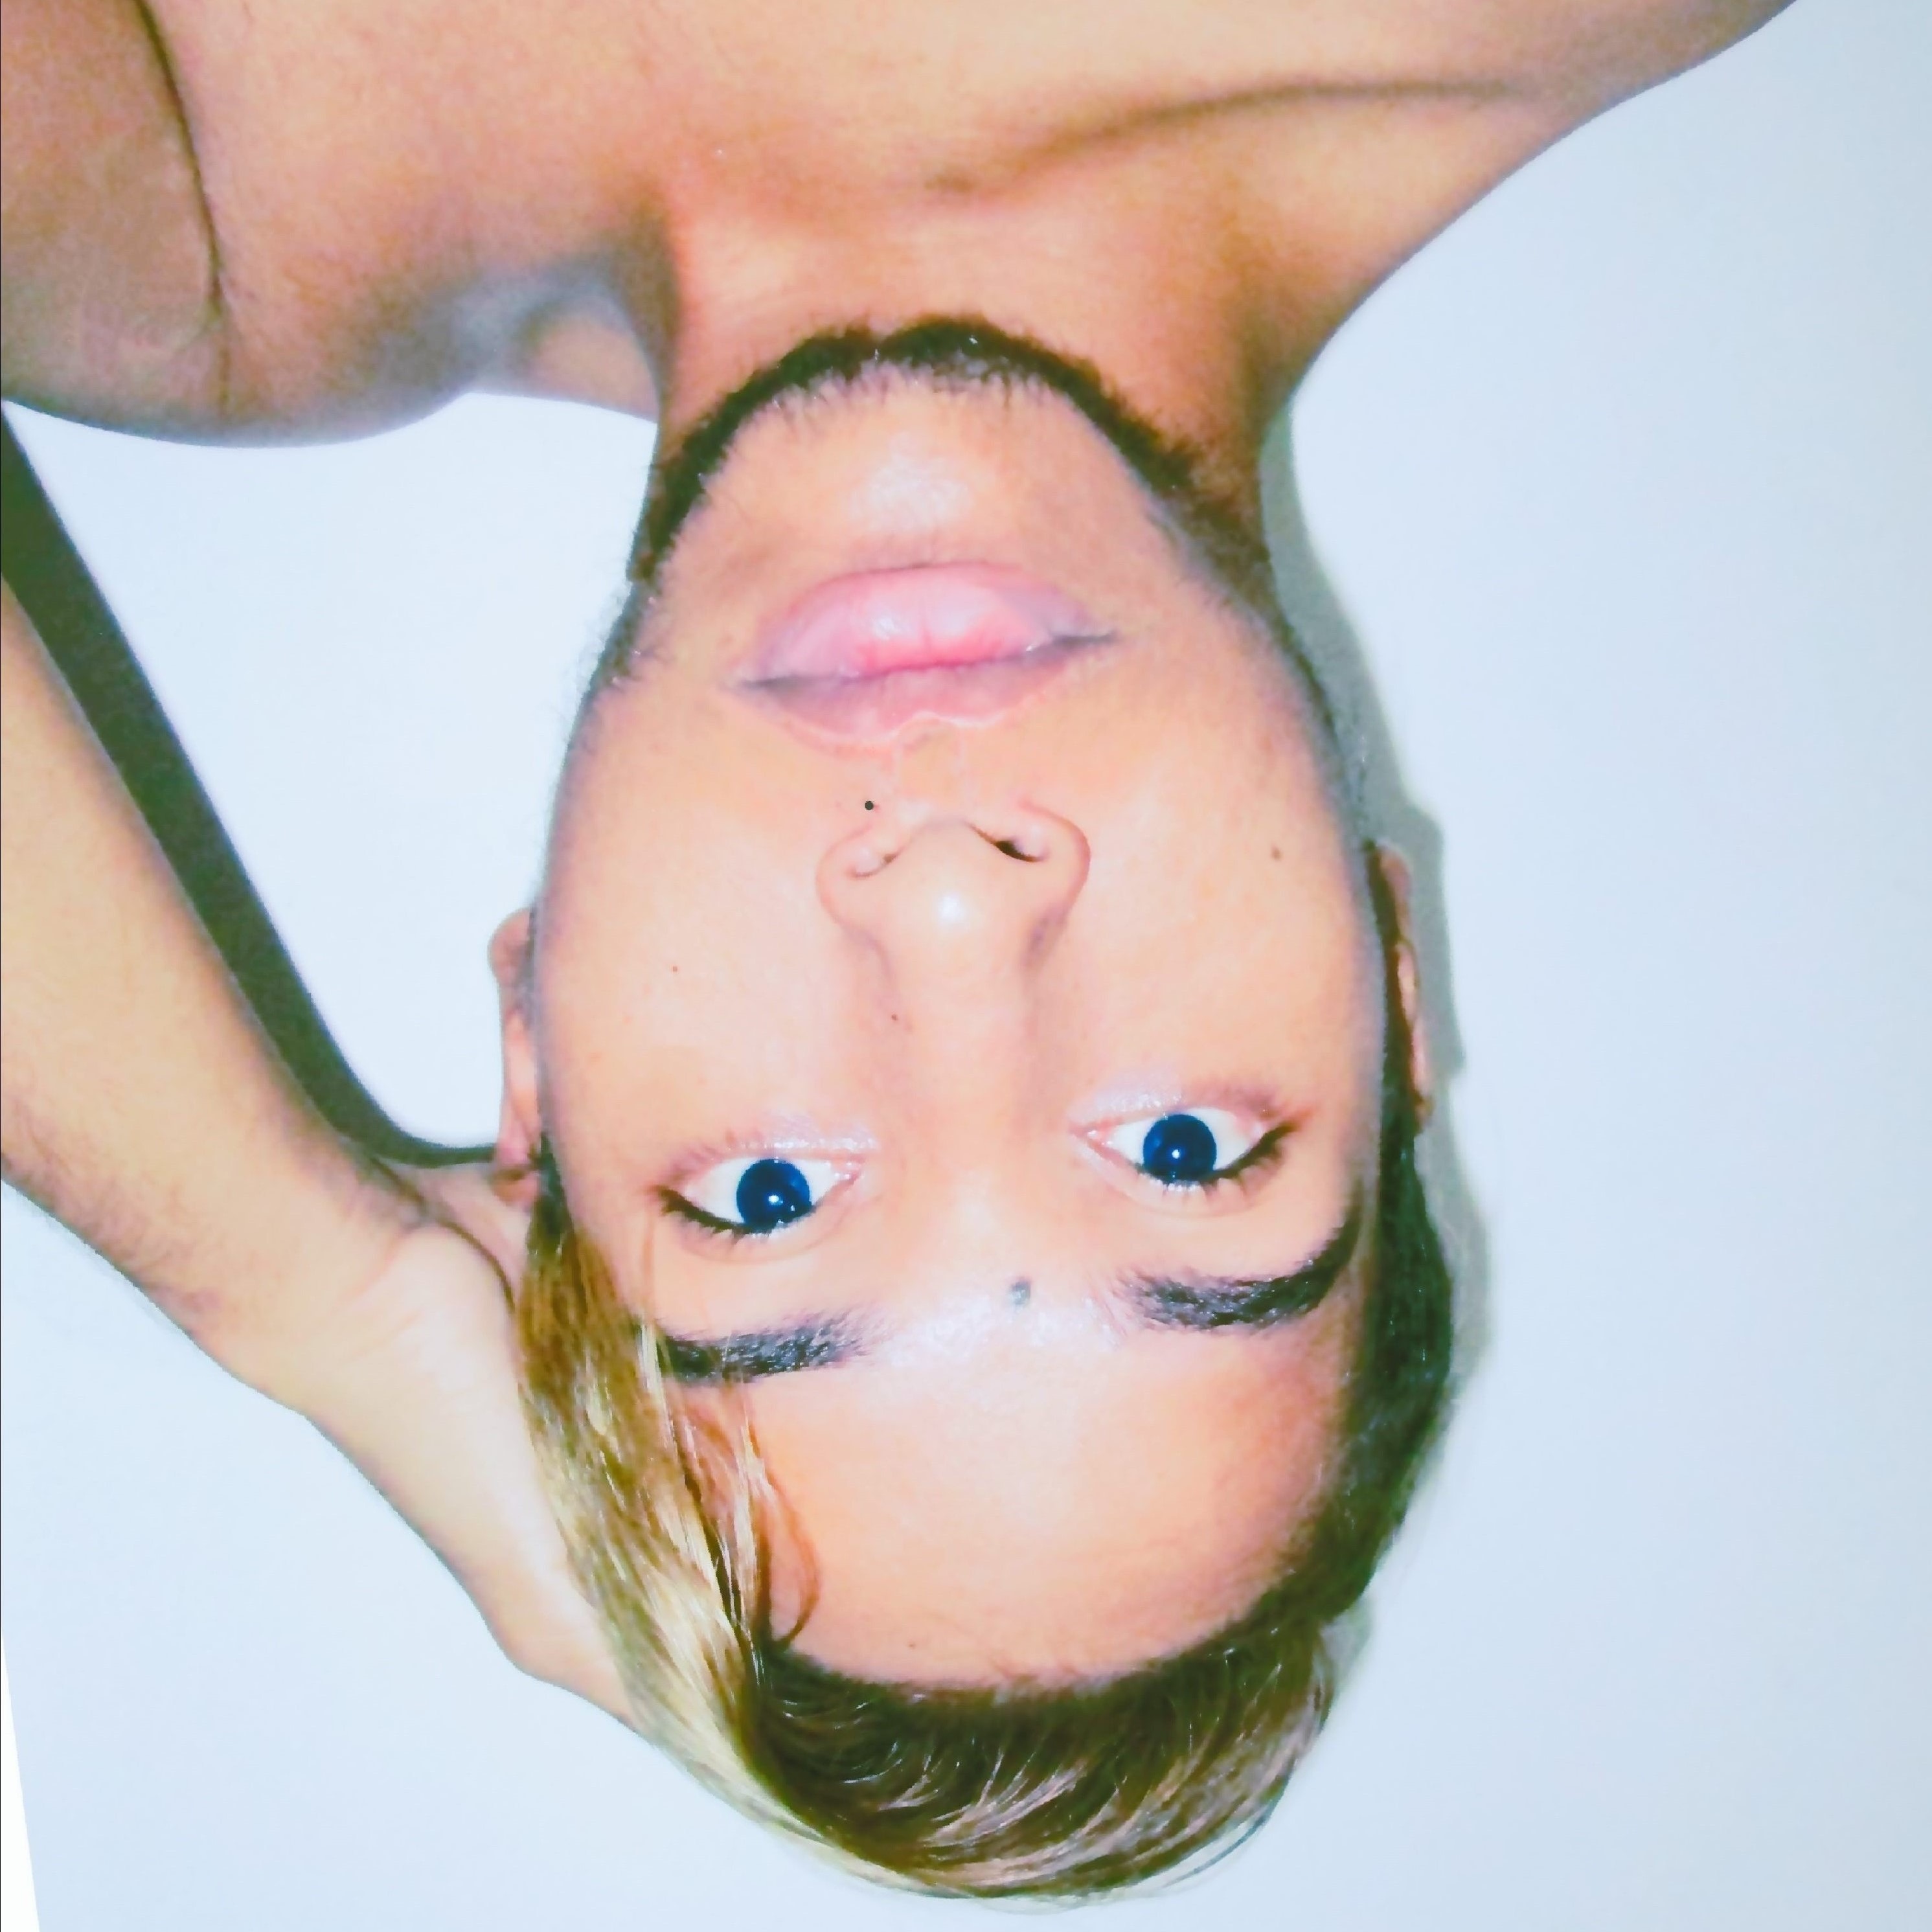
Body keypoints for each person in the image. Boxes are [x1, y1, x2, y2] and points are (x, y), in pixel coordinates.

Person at [0, 0, 1794, 1897]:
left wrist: (313, 1288)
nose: (948, 903)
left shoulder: (199, 222)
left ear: (534, 1050)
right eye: (1184, 1150)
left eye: (769, 1194)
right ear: (1392, 982)